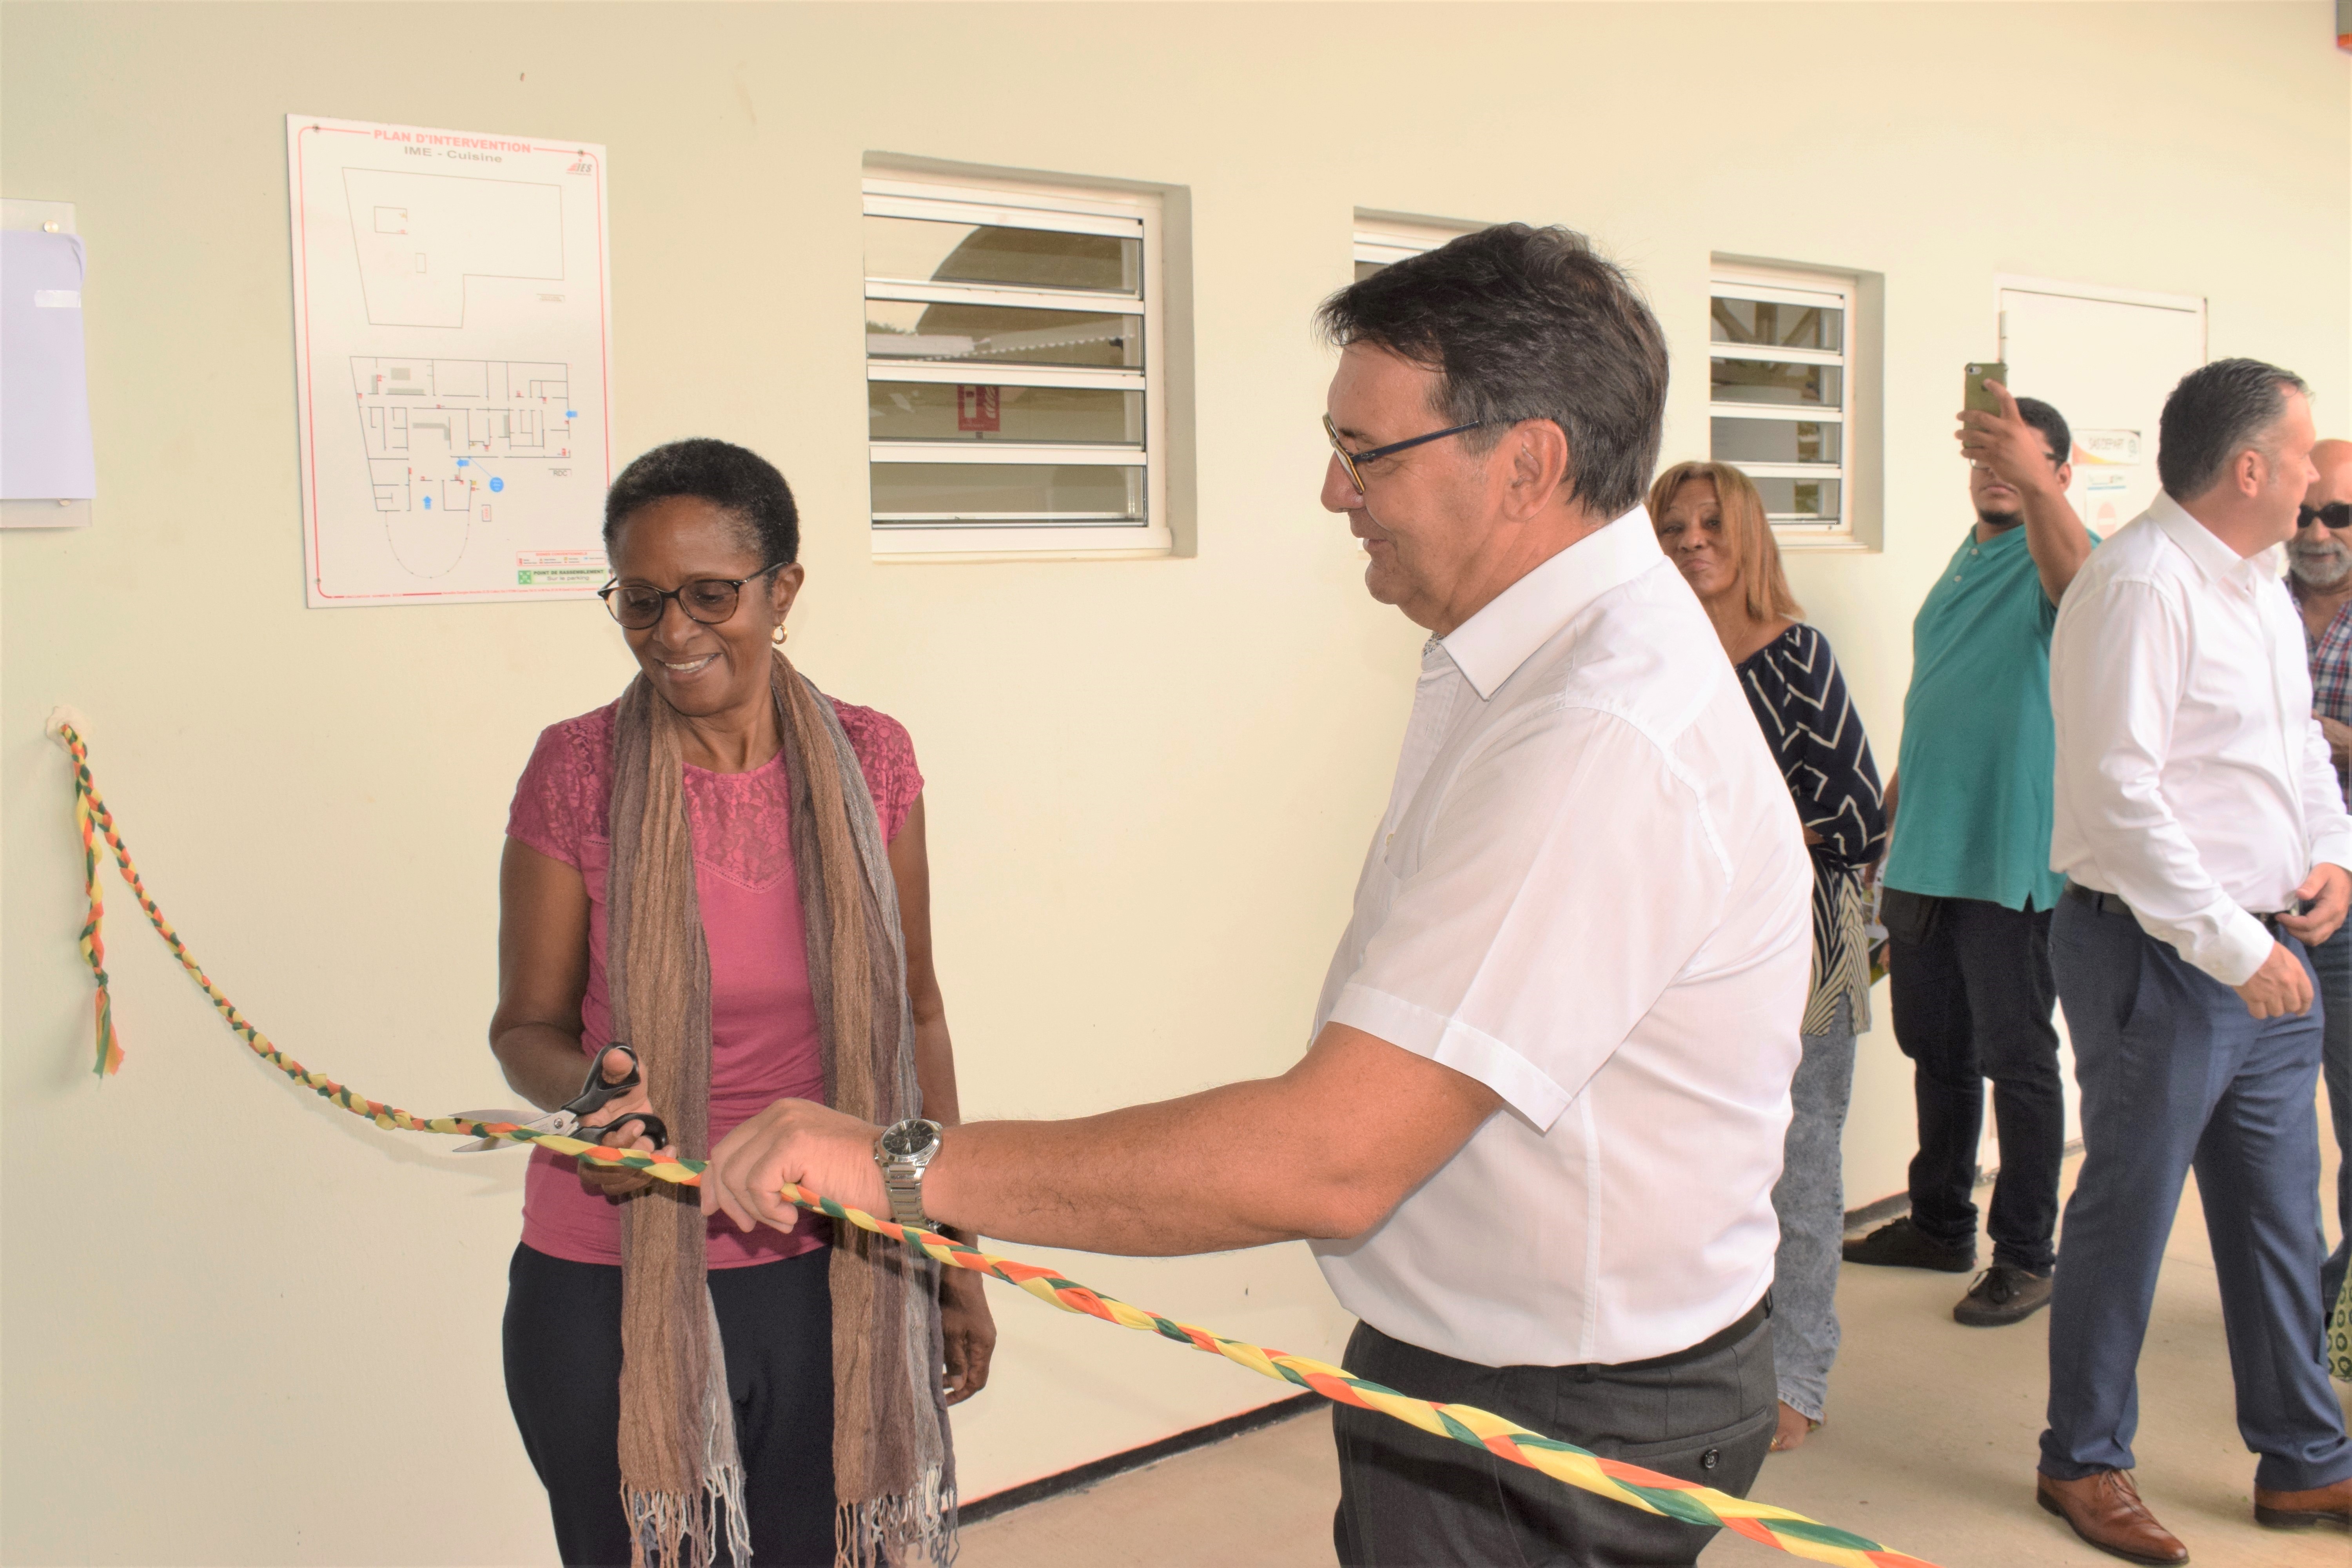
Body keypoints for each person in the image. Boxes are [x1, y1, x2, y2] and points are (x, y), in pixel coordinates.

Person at [702, 225, 1813, 1568]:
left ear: (1527, 464)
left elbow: (1330, 1156)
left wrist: (898, 1167)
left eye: (1367, 452)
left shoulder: (1597, 733)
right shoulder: (1535, 659)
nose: (1336, 491)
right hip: (1498, 1368)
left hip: (1555, 1415)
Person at [488, 439, 995, 1568]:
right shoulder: (577, 770)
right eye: (641, 600)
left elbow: (916, 1014)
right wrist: (596, 1095)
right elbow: (525, 1028)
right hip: (612, 1284)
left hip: (837, 1265)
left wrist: (953, 1253)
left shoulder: (872, 759)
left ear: (783, 590)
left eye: (710, 594)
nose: (673, 631)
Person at [2038, 359, 2352, 1561]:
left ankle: (2305, 1460)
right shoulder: (2138, 587)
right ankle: (2082, 1461)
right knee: (2129, 1208)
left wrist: (2332, 855)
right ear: (2251, 468)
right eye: (2307, 452)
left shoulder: (2257, 586)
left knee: (2278, 1217)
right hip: (2162, 952)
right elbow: (2119, 798)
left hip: (2272, 944)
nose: (2318, 477)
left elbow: (2296, 754)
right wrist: (2232, 946)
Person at [1843, 385, 2093, 1332]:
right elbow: (1940, 697)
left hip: (2006, 856)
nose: (1997, 473)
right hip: (1926, 849)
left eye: (2019, 457)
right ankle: (1940, 1221)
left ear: (2057, 472)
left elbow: (2076, 585)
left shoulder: (2059, 554)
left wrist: (2037, 494)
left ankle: (2025, 1252)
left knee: (2017, 1059)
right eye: (1985, 456)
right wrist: (1888, 813)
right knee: (1935, 1049)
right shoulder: (1968, 555)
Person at [1651, 461, 1886, 1455]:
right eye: (1673, 525)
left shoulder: (1795, 654)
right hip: (1682, 947)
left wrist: (1736, 831)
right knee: (1691, 1161)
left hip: (1807, 946)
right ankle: (1706, 1363)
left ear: (1749, 534)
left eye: (1712, 521)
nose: (1693, 539)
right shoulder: (1655, 659)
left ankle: (1795, 1374)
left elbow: (1857, 817)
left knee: (1802, 1164)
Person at [2287, 437, 2352, 1316]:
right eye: (2304, 512)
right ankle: (2292, 1298)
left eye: (2337, 514)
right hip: (2258, 903)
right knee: (2266, 1128)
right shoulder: (2252, 607)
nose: (2316, 531)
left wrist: (2333, 742)